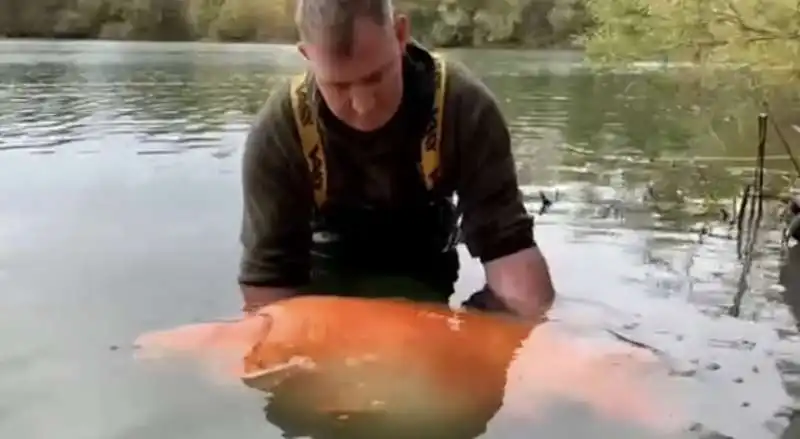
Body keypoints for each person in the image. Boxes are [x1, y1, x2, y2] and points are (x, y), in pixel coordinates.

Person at [237, 0, 556, 320]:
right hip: (323, 290)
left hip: (426, 283)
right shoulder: (279, 131)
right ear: (308, 56)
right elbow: (268, 285)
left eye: (376, 78)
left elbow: (508, 249)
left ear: (401, 33)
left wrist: (533, 328)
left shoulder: (464, 106)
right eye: (339, 86)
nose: (362, 106)